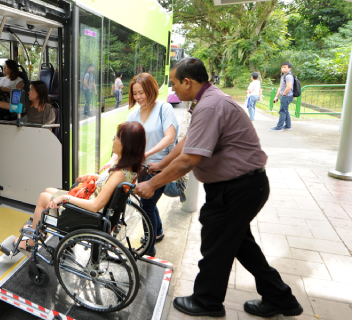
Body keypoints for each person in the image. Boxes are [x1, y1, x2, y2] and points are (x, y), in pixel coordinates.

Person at [135, 58, 303, 318]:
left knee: (216, 244)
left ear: (188, 82)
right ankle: (280, 297)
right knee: (238, 244)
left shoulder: (211, 106)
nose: (174, 90)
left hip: (238, 188)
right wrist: (160, 165)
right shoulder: (206, 102)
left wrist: (152, 184)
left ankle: (207, 301)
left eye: (175, 83)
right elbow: (187, 142)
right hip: (241, 186)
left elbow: (190, 160)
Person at [17, 121, 146, 250]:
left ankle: (32, 242)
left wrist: (65, 198)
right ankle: (38, 227)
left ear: (126, 145)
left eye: (116, 138)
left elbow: (95, 206)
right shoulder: (129, 168)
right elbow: (109, 184)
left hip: (88, 214)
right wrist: (93, 175)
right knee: (48, 190)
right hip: (94, 204)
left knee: (43, 197)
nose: (113, 140)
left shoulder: (119, 173)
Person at [101, 73, 179, 257]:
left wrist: (147, 153)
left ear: (151, 90)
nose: (138, 97)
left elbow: (170, 137)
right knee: (148, 202)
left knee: (147, 206)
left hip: (160, 167)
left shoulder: (164, 108)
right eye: (135, 93)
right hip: (141, 169)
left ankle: (149, 248)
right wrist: (112, 161)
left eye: (141, 93)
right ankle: (157, 232)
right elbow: (122, 141)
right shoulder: (133, 114)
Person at [270, 62, 294, 131]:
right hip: (284, 96)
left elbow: (289, 87)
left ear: (289, 68)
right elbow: (280, 87)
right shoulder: (283, 76)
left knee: (282, 111)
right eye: (282, 67)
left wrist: (283, 95)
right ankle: (288, 126)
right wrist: (276, 96)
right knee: (285, 111)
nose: (283, 68)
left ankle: (279, 127)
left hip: (287, 96)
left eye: (285, 67)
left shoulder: (288, 76)